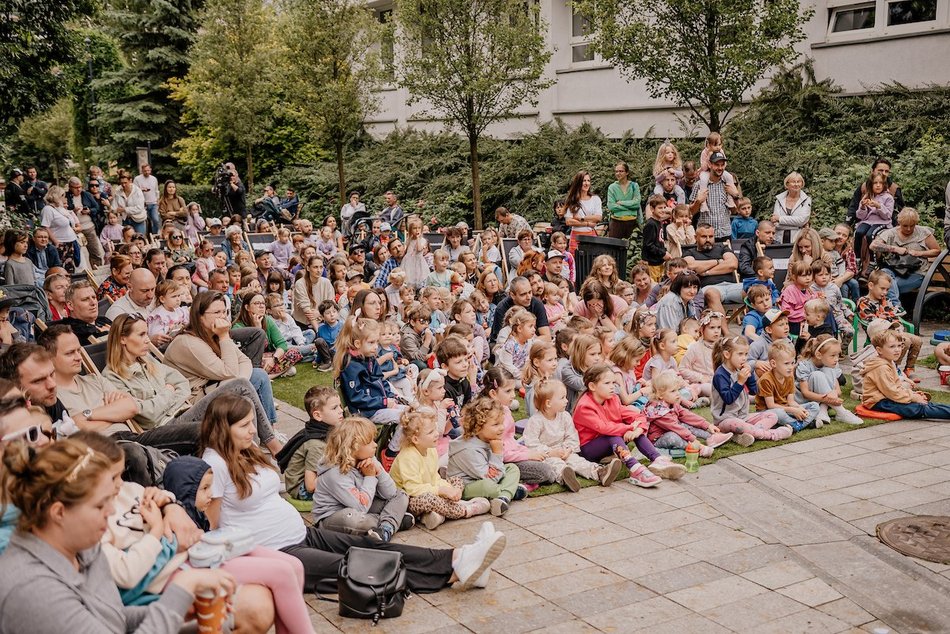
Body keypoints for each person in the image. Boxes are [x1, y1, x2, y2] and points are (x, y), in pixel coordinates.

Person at [200, 392, 508, 593]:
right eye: (244, 426)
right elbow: (214, 526)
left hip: (300, 534)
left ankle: (457, 556)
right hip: (277, 551)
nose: (252, 431)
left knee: (371, 550)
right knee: (360, 568)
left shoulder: (245, 454)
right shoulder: (215, 464)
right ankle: (453, 574)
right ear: (222, 429)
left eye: (252, 423)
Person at [0, 438, 238, 634]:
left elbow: (112, 618)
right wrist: (181, 588)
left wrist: (182, 609)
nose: (112, 511)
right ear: (59, 512)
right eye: (100, 505)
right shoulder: (32, 589)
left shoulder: (80, 548)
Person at [163, 292, 282, 452]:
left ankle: (259, 442)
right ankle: (271, 445)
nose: (223, 318)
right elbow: (228, 371)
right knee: (243, 391)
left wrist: (237, 383)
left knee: (256, 377)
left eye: (224, 312)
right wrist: (225, 336)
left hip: (212, 388)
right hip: (191, 404)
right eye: (216, 313)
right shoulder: (188, 343)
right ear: (199, 316)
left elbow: (244, 361)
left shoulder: (211, 335)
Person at [523, 378, 622, 488]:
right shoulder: (536, 421)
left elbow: (572, 436)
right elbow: (531, 444)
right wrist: (550, 452)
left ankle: (600, 472)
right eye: (562, 398)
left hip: (564, 451)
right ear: (549, 403)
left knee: (578, 461)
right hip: (546, 455)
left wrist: (568, 449)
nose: (566, 401)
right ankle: (565, 477)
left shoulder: (565, 416)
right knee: (555, 464)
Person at [862, 329, 950, 419]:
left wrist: (912, 394)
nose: (897, 350)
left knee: (926, 404)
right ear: (879, 350)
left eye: (899, 346)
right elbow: (892, 392)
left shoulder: (889, 362)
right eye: (892, 347)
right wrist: (913, 397)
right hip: (878, 402)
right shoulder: (881, 368)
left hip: (888, 397)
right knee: (918, 408)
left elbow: (896, 386)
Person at [870, 207, 941, 308]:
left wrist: (918, 253)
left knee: (887, 286)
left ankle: (893, 309)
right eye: (905, 226)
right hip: (894, 270)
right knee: (885, 274)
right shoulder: (891, 233)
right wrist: (894, 248)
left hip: (916, 273)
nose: (908, 229)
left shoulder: (923, 232)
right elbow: (873, 245)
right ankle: (896, 308)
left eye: (912, 226)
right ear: (899, 223)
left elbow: (937, 251)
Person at [682, 223, 743, 314]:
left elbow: (732, 264)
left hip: (731, 287)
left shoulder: (723, 248)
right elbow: (690, 266)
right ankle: (723, 329)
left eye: (711, 236)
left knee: (756, 289)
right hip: (709, 288)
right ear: (695, 237)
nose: (708, 240)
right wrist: (717, 261)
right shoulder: (690, 253)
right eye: (704, 236)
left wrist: (706, 272)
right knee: (712, 294)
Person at [688, 151, 740, 241]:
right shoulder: (699, 185)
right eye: (717, 165)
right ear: (710, 164)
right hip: (706, 236)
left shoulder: (728, 184)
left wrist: (735, 196)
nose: (720, 168)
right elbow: (691, 213)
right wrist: (698, 201)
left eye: (722, 165)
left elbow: (735, 211)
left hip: (725, 233)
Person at [488, 276, 551, 344]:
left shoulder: (537, 304)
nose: (528, 297)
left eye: (530, 292)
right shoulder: (502, 308)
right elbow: (501, 341)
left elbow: (547, 337)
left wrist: (527, 344)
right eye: (523, 294)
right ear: (512, 295)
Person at [847, 157, 904, 226]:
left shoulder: (894, 189)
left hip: (888, 226)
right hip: (864, 224)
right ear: (873, 171)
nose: (884, 173)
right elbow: (853, 209)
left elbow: (901, 212)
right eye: (880, 170)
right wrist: (847, 224)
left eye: (886, 171)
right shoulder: (863, 187)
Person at [52, 281, 111, 345]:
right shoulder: (69, 333)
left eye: (94, 297)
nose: (93, 303)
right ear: (70, 305)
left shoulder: (103, 320)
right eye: (85, 299)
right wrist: (107, 335)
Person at [64, 176, 105, 268]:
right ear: (70, 187)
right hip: (75, 229)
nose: (79, 189)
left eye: (80, 187)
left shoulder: (86, 194)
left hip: (88, 226)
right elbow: (63, 211)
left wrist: (89, 211)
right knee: (76, 254)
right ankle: (81, 272)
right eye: (76, 187)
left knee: (95, 252)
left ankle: (97, 269)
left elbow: (97, 207)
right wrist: (73, 211)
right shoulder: (66, 196)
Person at [40, 185, 82, 272]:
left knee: (71, 268)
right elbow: (45, 227)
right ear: (57, 196)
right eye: (63, 196)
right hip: (60, 242)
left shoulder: (60, 208)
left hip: (70, 241)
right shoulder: (48, 209)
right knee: (61, 268)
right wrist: (56, 241)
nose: (65, 198)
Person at [563, 170, 602, 252]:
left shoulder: (595, 199)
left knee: (592, 261)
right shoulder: (572, 200)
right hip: (576, 236)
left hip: (591, 236)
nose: (586, 183)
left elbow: (598, 217)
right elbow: (569, 221)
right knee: (576, 261)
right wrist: (588, 223)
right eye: (584, 181)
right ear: (578, 182)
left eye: (588, 181)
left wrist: (581, 218)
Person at [771, 172, 811, 243]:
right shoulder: (779, 199)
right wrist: (798, 227)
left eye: (798, 182)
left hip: (798, 240)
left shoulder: (806, 200)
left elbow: (802, 220)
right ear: (787, 184)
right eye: (793, 182)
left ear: (802, 184)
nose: (796, 184)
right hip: (779, 239)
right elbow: (776, 224)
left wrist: (780, 218)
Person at [606, 161, 642, 240]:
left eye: (621, 171)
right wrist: (630, 208)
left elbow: (636, 204)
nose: (618, 173)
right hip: (616, 223)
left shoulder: (634, 186)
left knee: (631, 249)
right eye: (616, 171)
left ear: (627, 173)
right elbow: (611, 206)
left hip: (632, 223)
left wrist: (621, 203)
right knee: (614, 249)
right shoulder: (612, 187)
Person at [113, 169, 147, 235]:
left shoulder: (137, 191)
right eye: (121, 183)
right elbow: (115, 207)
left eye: (125, 183)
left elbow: (139, 208)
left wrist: (124, 209)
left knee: (140, 239)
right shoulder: (118, 191)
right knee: (127, 241)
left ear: (130, 181)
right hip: (126, 219)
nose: (123, 185)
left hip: (138, 219)